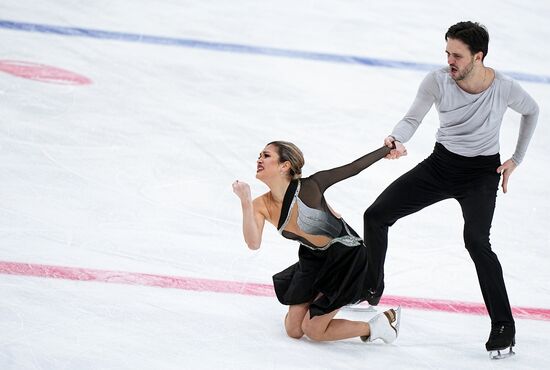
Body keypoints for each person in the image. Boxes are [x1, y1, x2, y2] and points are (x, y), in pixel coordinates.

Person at [363, 21, 539, 358]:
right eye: (447, 53)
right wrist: (396, 138)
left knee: (476, 241)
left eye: (457, 55)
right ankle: (371, 287)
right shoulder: (437, 80)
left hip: (481, 175)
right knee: (376, 215)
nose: (450, 61)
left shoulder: (504, 87)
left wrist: (516, 159)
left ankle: (503, 327)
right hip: (441, 166)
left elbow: (532, 111)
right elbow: (412, 119)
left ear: (479, 56)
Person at [232, 141, 401, 344]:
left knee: (313, 330)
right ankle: (323, 299)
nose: (259, 159)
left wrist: (386, 150)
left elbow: (353, 168)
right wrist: (245, 202)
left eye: (266, 155)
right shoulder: (261, 204)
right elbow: (253, 243)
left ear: (284, 165)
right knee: (294, 330)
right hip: (313, 259)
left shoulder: (311, 186)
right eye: (260, 155)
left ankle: (382, 325)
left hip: (347, 257)